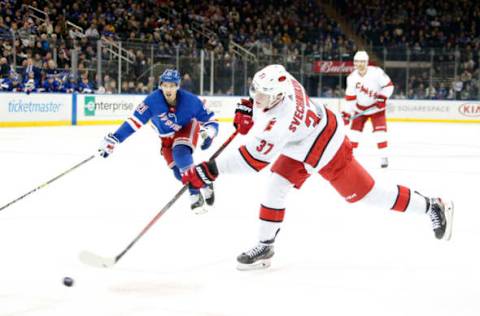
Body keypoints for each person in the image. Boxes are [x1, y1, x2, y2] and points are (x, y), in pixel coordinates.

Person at [181, 64, 454, 270]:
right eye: (255, 92)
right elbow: (265, 105)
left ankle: (432, 205)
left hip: (326, 148)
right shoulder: (284, 81)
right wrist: (252, 109)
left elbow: (254, 160)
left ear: (277, 96)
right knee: (275, 187)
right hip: (303, 140)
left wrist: (209, 170)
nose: (256, 97)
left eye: (262, 95)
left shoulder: (282, 124)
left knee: (369, 196)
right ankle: (265, 247)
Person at [98, 69, 219, 214]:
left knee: (180, 153)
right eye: (165, 85)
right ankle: (204, 181)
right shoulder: (152, 101)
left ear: (178, 86)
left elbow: (210, 119)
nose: (168, 89)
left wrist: (210, 133)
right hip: (166, 136)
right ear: (160, 85)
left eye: (172, 85)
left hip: (186, 127)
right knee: (177, 172)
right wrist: (115, 138)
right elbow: (134, 122)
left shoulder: (190, 101)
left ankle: (194, 194)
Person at [342, 51, 394, 168]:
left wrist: (382, 98)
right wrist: (346, 113)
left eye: (362, 61)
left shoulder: (376, 72)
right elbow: (350, 98)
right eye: (357, 62)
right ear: (354, 63)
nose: (359, 64)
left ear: (366, 62)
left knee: (380, 134)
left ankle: (384, 157)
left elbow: (389, 86)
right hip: (360, 110)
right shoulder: (351, 78)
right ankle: (349, 159)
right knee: (354, 135)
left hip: (377, 109)